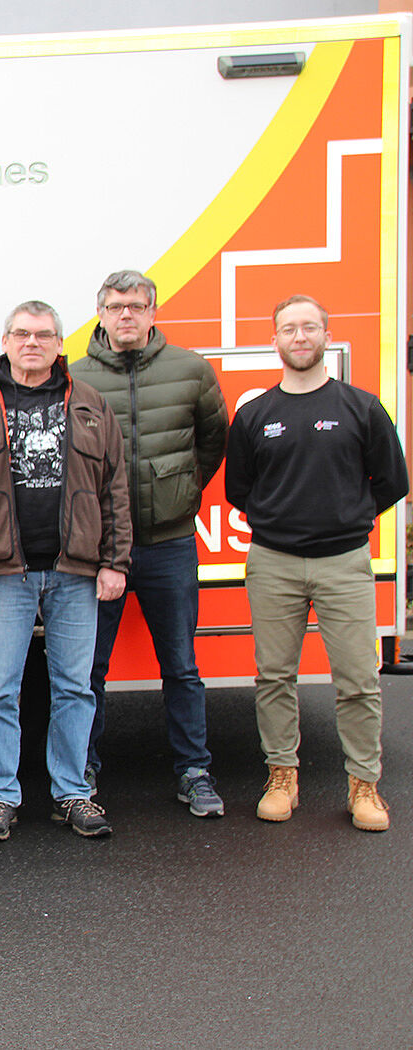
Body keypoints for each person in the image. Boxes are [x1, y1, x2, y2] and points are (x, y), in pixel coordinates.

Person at [0, 301, 130, 841]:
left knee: (75, 688)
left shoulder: (90, 404)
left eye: (43, 335)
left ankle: (72, 793)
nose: (32, 343)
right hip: (4, 575)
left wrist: (115, 561)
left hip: (76, 573)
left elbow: (115, 488)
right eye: (22, 334)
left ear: (58, 344)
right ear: (4, 340)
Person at [226, 294, 407, 832]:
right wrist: (285, 521)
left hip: (344, 562)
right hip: (273, 562)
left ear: (326, 336)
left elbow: (392, 481)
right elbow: (240, 488)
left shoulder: (361, 407)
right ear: (275, 340)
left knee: (357, 680)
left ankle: (364, 786)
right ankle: (282, 777)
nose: (299, 336)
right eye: (289, 328)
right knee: (274, 676)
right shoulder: (255, 414)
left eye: (309, 327)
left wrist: (343, 518)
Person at [72, 270, 229, 816]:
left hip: (169, 544)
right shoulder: (77, 379)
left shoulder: (190, 371)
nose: (127, 316)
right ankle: (83, 769)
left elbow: (212, 443)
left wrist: (178, 493)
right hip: (98, 551)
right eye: (116, 307)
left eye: (137, 306)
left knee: (181, 666)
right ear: (102, 313)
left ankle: (194, 770)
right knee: (88, 668)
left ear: (153, 312)